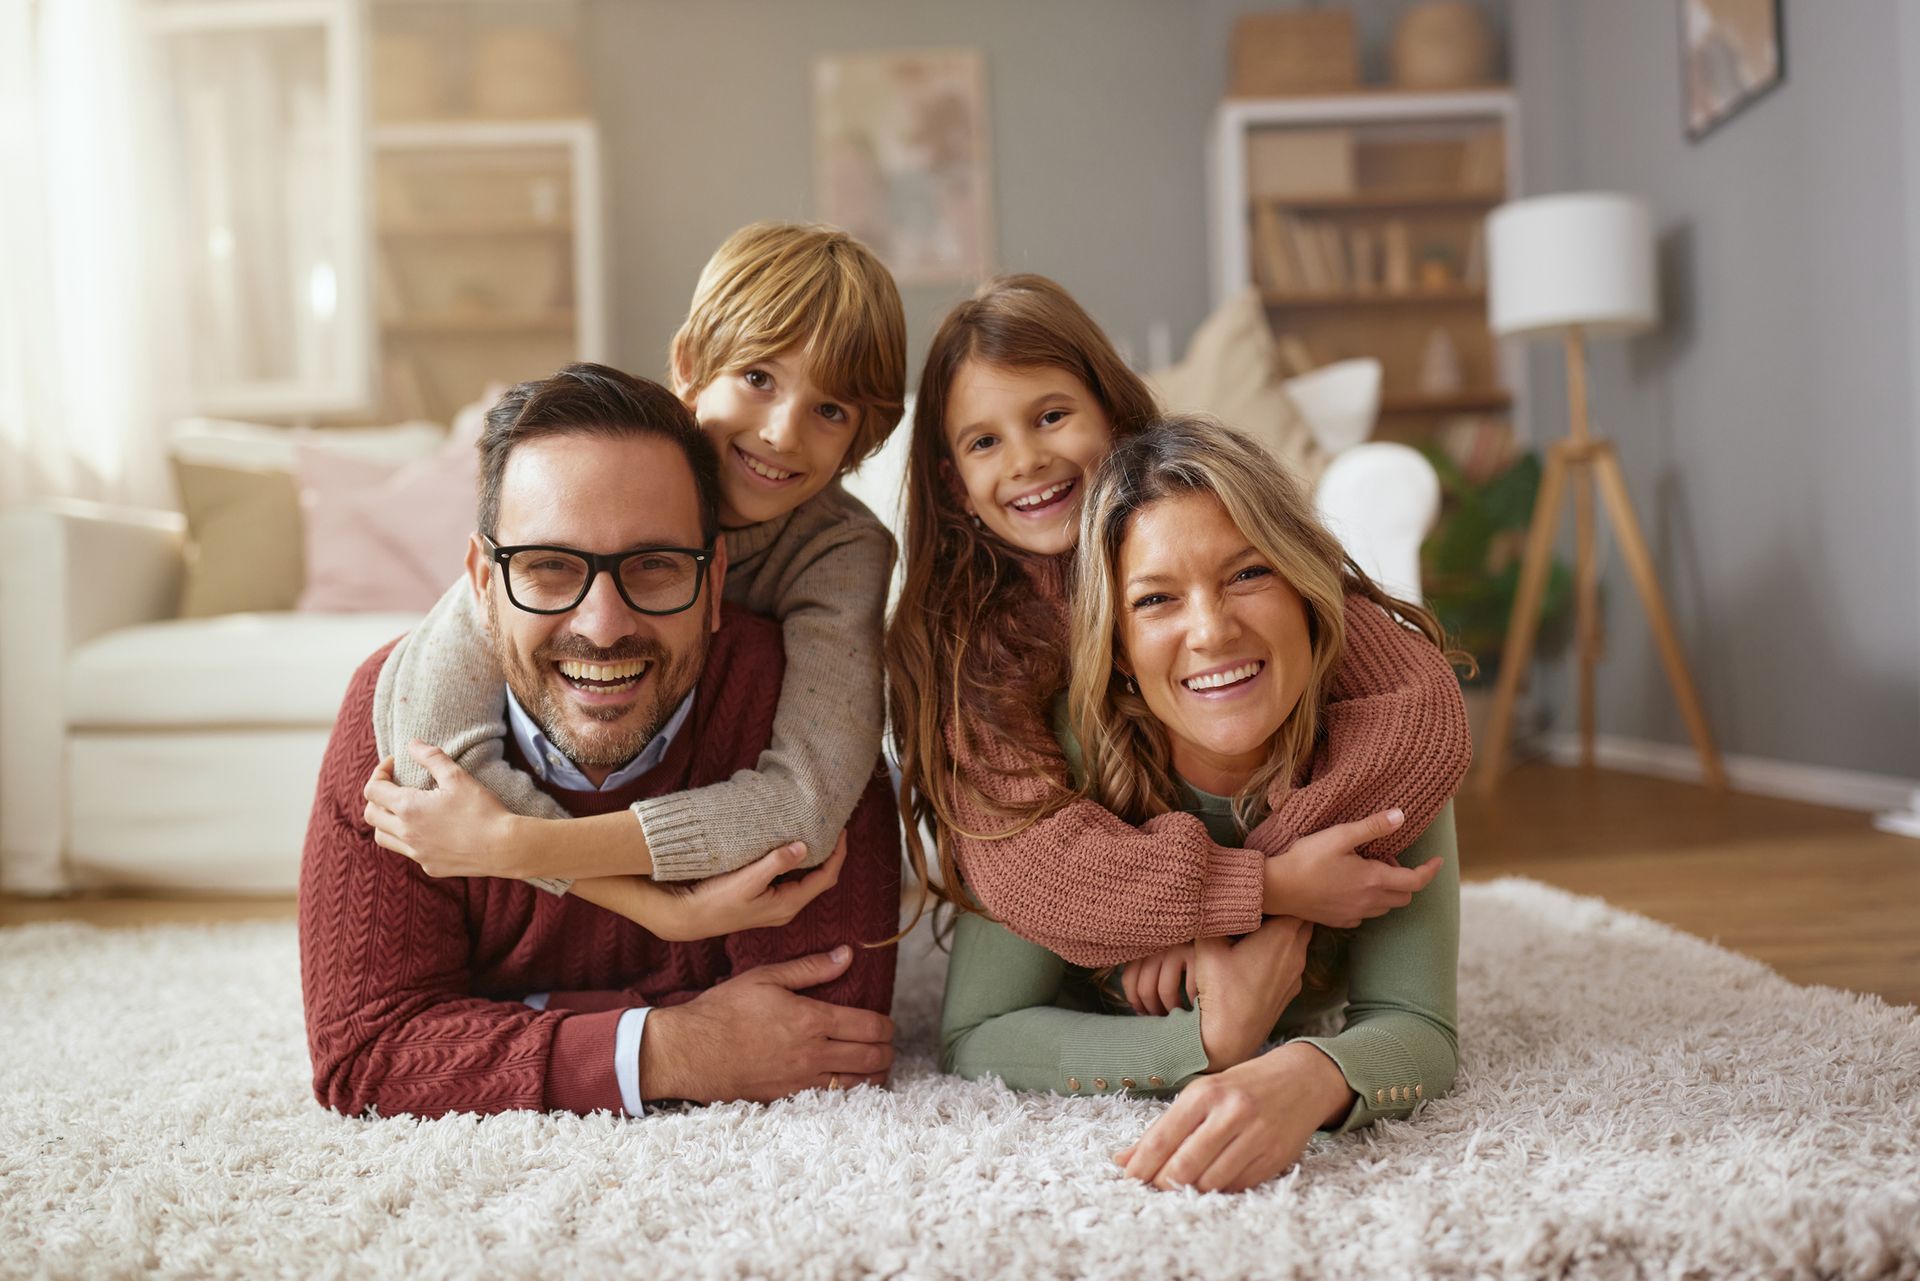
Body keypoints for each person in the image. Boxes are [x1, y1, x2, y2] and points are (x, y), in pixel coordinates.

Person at [300, 365, 901, 1118]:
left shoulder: (804, 721)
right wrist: (676, 1043)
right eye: (551, 567)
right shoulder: (392, 723)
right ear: (482, 583)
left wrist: (502, 1013)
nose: (604, 624)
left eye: (654, 566)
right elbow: (366, 1052)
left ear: (716, 583)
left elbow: (825, 1036)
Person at [883, 274, 1472, 969]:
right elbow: (1032, 869)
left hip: (1226, 863)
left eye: (1050, 417)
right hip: (1090, 948)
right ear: (955, 484)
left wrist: (1258, 888)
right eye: (985, 442)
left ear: (1113, 416)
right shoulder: (975, 642)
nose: (1027, 459)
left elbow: (1424, 715)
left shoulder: (1209, 522)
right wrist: (1265, 888)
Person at [940, 418, 1460, 1192]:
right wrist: (1206, 1044)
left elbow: (1418, 1022)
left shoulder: (1380, 757)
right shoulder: (1056, 769)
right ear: (1116, 644)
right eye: (1156, 600)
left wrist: (1304, 1076)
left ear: (1308, 588)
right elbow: (974, 1034)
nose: (1212, 631)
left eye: (1249, 574)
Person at [359, 222, 907, 915]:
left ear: (862, 437)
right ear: (688, 364)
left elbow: (806, 804)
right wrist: (660, 912)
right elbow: (426, 755)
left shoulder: (841, 548)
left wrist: (519, 847)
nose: (782, 432)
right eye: (758, 378)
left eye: (829, 409)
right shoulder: (600, 466)